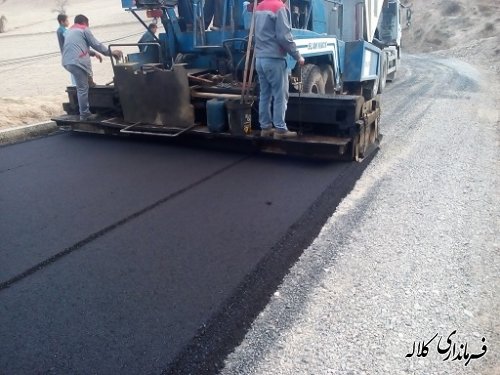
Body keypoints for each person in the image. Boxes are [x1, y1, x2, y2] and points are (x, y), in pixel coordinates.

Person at [254, 0, 305, 138]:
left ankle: (265, 128)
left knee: (265, 95)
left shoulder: (259, 6)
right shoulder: (279, 7)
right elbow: (284, 37)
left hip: (259, 59)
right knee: (280, 95)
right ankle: (280, 130)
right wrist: (297, 56)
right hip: (274, 59)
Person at [62, 14, 122, 120]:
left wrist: (94, 54)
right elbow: (96, 44)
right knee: (82, 89)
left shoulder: (70, 31)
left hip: (67, 62)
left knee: (83, 85)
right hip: (77, 62)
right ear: (85, 23)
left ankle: (89, 83)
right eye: (88, 24)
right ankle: (85, 115)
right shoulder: (84, 29)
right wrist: (111, 53)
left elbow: (79, 47)